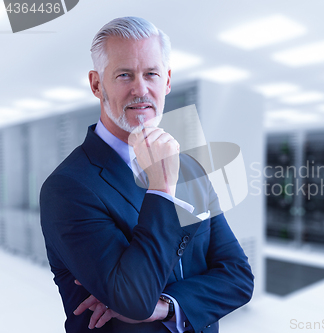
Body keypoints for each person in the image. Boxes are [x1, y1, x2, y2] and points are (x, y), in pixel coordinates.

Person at [40, 16, 253, 333]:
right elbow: (135, 299)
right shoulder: (68, 187)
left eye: (151, 74)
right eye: (124, 75)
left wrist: (167, 307)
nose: (141, 89)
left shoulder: (191, 168)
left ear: (166, 81)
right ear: (97, 84)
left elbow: (238, 277)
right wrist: (162, 188)